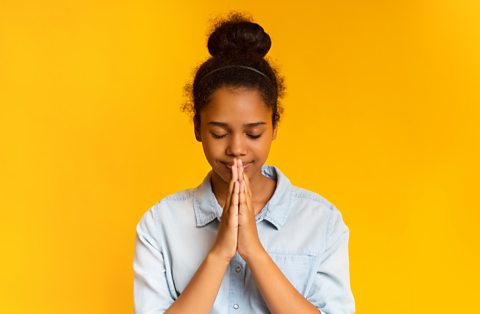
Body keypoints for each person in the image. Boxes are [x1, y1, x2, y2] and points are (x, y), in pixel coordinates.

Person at [133, 12, 355, 314]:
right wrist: (220, 253)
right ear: (198, 128)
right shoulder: (160, 225)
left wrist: (255, 252)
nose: (236, 149)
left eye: (253, 133)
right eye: (219, 133)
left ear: (274, 126)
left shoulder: (321, 222)